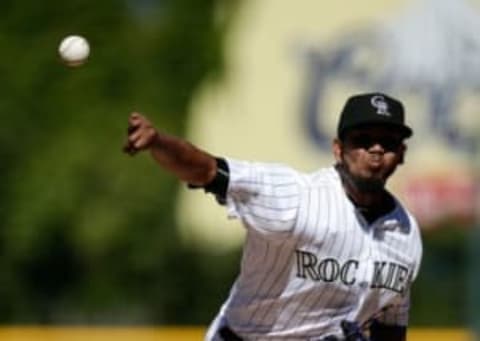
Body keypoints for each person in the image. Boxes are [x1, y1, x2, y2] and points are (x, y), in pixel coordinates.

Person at [123, 92, 422, 341]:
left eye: (389, 141)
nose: (377, 148)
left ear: (402, 152)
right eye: (363, 139)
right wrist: (159, 142)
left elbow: (391, 324)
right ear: (338, 149)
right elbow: (206, 169)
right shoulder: (295, 196)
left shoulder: (406, 235)